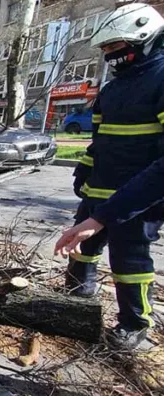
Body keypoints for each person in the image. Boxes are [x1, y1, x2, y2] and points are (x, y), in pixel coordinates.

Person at [64, 3, 164, 350]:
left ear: (144, 39)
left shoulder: (161, 80)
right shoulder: (112, 89)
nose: (110, 54)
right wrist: (84, 170)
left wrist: (110, 212)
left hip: (136, 199)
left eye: (115, 46)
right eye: (105, 48)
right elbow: (100, 140)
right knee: (81, 251)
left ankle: (134, 325)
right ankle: (76, 303)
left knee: (129, 261)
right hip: (98, 192)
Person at [56, 155, 164, 257]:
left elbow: (155, 180)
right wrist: (98, 219)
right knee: (88, 251)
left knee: (130, 258)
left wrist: (99, 218)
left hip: (133, 209)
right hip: (112, 205)